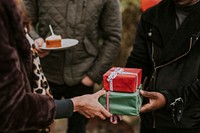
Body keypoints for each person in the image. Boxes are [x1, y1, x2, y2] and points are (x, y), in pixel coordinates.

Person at [0, 0, 112, 132]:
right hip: (48, 75)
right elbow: (14, 108)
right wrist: (74, 104)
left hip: (82, 74)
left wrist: (92, 77)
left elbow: (113, 37)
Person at [126, 0, 200, 133]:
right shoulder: (152, 16)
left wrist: (168, 99)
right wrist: (120, 93)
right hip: (152, 118)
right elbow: (138, 62)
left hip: (191, 120)